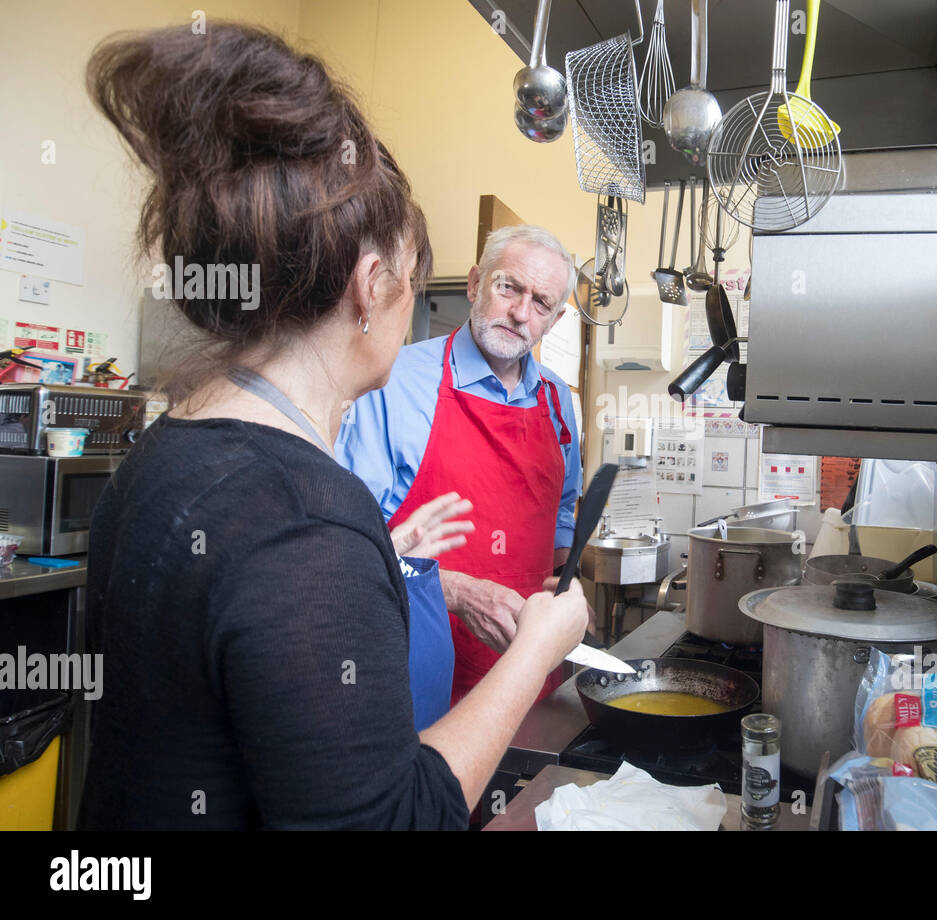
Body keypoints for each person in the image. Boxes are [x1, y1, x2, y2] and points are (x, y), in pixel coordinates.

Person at [77, 22, 587, 830]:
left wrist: (384, 558)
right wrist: (538, 648)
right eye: (416, 284)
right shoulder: (310, 519)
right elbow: (396, 820)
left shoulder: (163, 453)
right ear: (370, 284)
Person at [337, 224, 584, 721]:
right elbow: (345, 546)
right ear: (475, 284)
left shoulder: (559, 402)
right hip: (417, 677)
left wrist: (565, 585)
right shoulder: (394, 382)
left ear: (554, 321)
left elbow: (559, 516)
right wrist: (454, 592)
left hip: (529, 678)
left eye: (541, 303)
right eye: (508, 287)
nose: (520, 312)